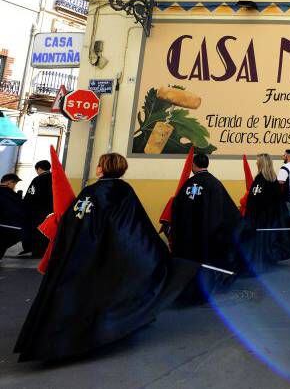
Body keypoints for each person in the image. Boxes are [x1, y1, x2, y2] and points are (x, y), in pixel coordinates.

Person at [13, 153, 199, 361]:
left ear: (103, 168)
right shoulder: (124, 191)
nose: (97, 168)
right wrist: (154, 251)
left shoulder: (91, 191)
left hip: (84, 252)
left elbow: (74, 220)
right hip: (110, 251)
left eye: (100, 164)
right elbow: (135, 226)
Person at [171, 153, 241, 299]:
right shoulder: (215, 184)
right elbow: (227, 210)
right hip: (208, 234)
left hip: (189, 234)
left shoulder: (188, 184)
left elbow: (176, 207)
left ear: (194, 165)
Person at [233, 153, 290, 275]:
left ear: (263, 163)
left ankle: (260, 263)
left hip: (265, 219)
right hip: (254, 218)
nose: (256, 163)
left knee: (261, 242)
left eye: (258, 161)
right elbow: (252, 199)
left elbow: (275, 202)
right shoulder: (257, 180)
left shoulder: (271, 182)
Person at [21, 160, 53, 257]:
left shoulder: (38, 180)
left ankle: (35, 251)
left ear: (39, 169)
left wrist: (24, 206)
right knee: (47, 230)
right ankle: (45, 251)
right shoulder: (55, 178)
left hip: (37, 211)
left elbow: (30, 196)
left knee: (36, 231)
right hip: (51, 211)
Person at [0, 173, 26, 259]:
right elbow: (16, 209)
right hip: (9, 224)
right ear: (9, 182)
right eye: (14, 183)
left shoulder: (10, 193)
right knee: (23, 233)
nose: (14, 185)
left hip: (6, 223)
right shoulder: (9, 193)